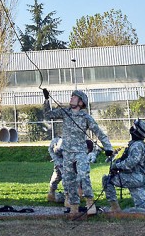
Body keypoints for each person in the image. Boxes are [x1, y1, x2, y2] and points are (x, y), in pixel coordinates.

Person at [42, 87, 114, 219]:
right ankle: (73, 208)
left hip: (80, 152)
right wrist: (46, 100)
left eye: (74, 97)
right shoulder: (64, 112)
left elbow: (99, 132)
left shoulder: (85, 117)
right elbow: (47, 115)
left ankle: (90, 204)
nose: (71, 98)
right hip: (67, 154)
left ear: (81, 102)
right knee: (69, 181)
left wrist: (108, 147)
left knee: (83, 176)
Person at [102, 118, 145, 212]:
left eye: (134, 127)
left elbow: (131, 162)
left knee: (107, 180)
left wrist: (116, 166)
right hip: (140, 178)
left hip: (134, 177)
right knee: (142, 205)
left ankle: (115, 208)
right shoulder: (138, 144)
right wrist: (118, 162)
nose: (132, 128)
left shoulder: (137, 145)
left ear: (138, 131)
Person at [47, 136, 99, 202]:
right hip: (56, 149)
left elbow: (79, 170)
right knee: (63, 172)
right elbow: (57, 151)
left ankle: (56, 194)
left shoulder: (80, 147)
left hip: (64, 150)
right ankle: (65, 197)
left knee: (70, 171)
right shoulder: (69, 146)